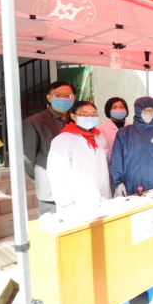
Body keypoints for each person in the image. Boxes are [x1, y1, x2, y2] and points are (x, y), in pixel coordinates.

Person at [47, 101, 111, 212]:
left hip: (104, 198)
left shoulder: (99, 137)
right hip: (78, 203)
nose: (90, 118)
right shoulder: (63, 140)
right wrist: (66, 204)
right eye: (85, 114)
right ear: (73, 116)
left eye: (94, 114)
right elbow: (57, 176)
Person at [23, 81, 76, 215]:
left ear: (74, 98)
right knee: (52, 225)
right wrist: (42, 176)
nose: (62, 99)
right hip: (50, 189)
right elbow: (27, 159)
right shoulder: (34, 122)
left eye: (67, 96)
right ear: (49, 98)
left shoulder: (77, 120)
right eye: (57, 95)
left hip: (77, 185)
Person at [110, 97, 153, 196]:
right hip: (131, 185)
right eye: (145, 110)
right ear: (138, 111)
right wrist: (118, 182)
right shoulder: (124, 133)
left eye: (152, 110)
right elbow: (117, 160)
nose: (149, 113)